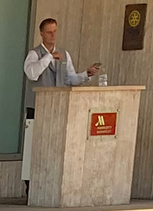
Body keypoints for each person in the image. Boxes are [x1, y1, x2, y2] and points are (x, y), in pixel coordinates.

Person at [22, 18, 103, 182]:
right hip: (37, 108)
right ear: (42, 34)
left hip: (57, 109)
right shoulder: (34, 54)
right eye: (49, 32)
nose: (53, 36)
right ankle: (30, 183)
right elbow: (32, 73)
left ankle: (49, 180)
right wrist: (48, 57)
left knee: (52, 146)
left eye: (55, 31)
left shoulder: (65, 54)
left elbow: (70, 79)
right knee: (35, 147)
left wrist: (85, 75)